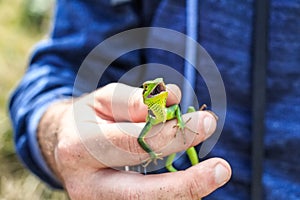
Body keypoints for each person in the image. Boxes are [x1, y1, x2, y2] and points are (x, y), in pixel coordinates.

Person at [8, 0, 300, 199]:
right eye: (153, 88)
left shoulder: (170, 106)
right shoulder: (152, 109)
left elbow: (179, 111)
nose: (159, 89)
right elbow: (60, 68)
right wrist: (60, 132)